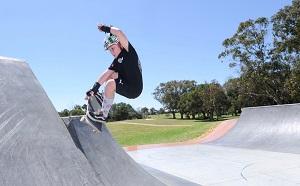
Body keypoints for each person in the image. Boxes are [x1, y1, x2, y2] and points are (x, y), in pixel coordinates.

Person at [86, 24, 143, 122]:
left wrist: (106, 28)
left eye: (113, 48)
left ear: (120, 44)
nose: (112, 53)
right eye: (109, 51)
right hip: (126, 84)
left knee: (110, 83)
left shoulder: (129, 52)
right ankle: (102, 96)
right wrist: (94, 88)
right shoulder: (117, 61)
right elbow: (106, 73)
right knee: (109, 75)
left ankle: (103, 114)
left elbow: (119, 33)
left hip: (134, 89)